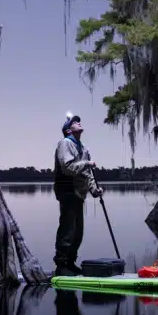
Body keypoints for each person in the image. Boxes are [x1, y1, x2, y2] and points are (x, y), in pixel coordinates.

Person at [53, 112, 103, 277]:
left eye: (79, 121)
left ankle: (70, 262)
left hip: (79, 194)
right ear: (68, 130)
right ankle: (61, 264)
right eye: (75, 122)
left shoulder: (84, 148)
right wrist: (86, 163)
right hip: (67, 191)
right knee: (68, 230)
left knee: (78, 233)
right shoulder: (65, 144)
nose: (79, 123)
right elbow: (68, 167)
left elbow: (88, 173)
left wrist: (95, 190)